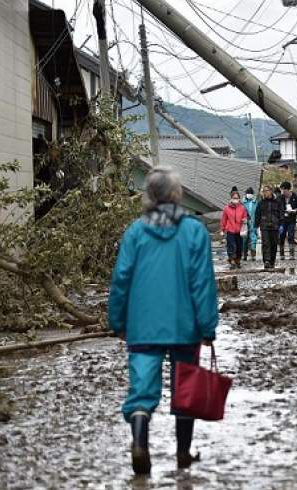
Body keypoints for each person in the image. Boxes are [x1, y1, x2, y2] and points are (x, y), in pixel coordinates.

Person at [108, 166, 218, 475]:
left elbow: (121, 279)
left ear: (149, 195)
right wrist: (208, 325)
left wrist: (117, 320)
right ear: (176, 194)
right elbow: (203, 282)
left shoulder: (136, 232)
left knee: (141, 390)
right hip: (185, 327)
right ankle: (182, 454)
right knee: (186, 388)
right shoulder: (194, 231)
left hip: (142, 326)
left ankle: (140, 443)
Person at [254, 185, 283, 269]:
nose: (264, 193)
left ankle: (272, 261)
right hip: (264, 226)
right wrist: (255, 226)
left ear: (271, 191)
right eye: (263, 191)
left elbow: (281, 213)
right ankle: (266, 261)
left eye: (266, 191)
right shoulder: (261, 203)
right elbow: (257, 214)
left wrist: (281, 225)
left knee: (274, 244)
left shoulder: (278, 202)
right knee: (266, 244)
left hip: (275, 226)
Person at [220, 189, 248, 269]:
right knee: (231, 246)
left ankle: (238, 260)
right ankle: (231, 260)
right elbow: (224, 219)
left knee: (239, 246)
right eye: (234, 198)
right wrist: (222, 229)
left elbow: (245, 217)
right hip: (230, 230)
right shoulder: (226, 208)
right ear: (231, 198)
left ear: (239, 199)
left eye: (237, 198)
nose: (236, 200)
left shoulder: (242, 208)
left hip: (239, 231)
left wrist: (245, 219)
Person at [278, 181, 297, 260]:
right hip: (282, 220)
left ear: (288, 190)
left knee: (291, 236)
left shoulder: (295, 197)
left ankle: (291, 253)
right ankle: (282, 253)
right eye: (281, 190)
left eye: (284, 190)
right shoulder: (280, 198)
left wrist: (295, 211)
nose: (282, 192)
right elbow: (277, 208)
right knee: (282, 236)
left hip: (291, 219)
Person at [241, 187, 259, 261]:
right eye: (248, 193)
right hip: (244, 224)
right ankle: (244, 254)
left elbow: (258, 213)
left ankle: (253, 254)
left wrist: (258, 222)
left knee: (253, 239)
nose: (249, 195)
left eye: (251, 194)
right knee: (244, 240)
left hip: (253, 224)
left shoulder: (256, 202)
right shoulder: (242, 202)